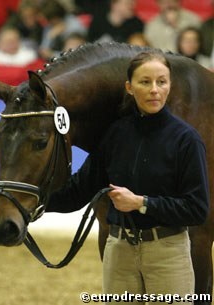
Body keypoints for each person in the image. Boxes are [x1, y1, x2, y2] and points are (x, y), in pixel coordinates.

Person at [46, 49, 209, 303]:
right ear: (129, 87)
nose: (154, 89)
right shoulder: (114, 135)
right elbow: (77, 192)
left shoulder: (187, 140)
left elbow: (197, 209)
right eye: (145, 82)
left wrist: (142, 203)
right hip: (119, 253)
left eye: (161, 82)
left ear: (169, 86)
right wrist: (28, 201)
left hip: (168, 254)